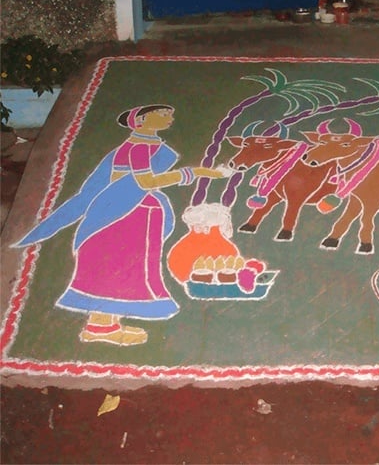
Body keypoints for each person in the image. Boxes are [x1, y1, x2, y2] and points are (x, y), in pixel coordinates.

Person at [15, 104, 232, 346]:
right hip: (124, 212)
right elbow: (145, 181)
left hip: (137, 212)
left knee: (125, 268)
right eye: (161, 114)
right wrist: (194, 173)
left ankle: (105, 324)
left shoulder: (146, 145)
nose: (169, 117)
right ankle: (100, 327)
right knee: (115, 266)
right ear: (140, 121)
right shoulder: (138, 147)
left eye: (169, 113)